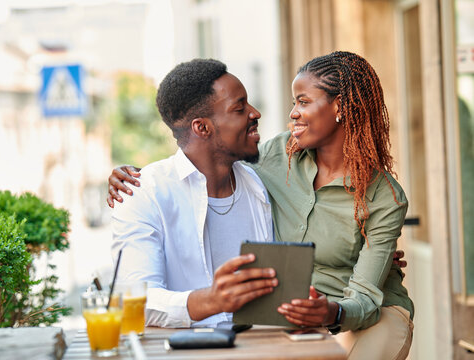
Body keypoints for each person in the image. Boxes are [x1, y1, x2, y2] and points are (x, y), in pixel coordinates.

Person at [108, 51, 414, 360]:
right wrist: (137, 178)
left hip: (362, 316)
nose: (290, 113)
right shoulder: (276, 157)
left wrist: (342, 296)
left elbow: (365, 296)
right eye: (295, 102)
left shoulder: (382, 197)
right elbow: (205, 163)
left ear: (341, 108)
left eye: (303, 102)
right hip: (287, 321)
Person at [110, 58, 278, 329]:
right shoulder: (144, 192)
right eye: (239, 108)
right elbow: (134, 300)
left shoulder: (259, 183)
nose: (255, 113)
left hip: (264, 349)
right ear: (202, 127)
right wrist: (211, 300)